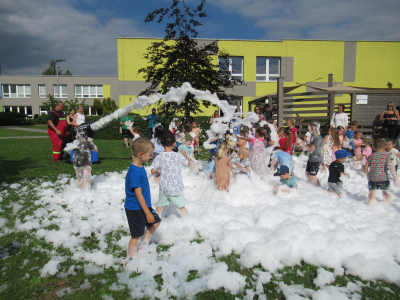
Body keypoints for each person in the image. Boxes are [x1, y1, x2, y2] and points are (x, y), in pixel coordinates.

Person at [124, 137, 160, 265]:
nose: (151, 157)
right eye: (150, 155)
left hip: (143, 206)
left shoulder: (139, 167)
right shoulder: (134, 172)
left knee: (156, 222)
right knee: (135, 235)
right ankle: (131, 259)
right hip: (135, 208)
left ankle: (144, 244)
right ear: (141, 154)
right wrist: (147, 213)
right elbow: (138, 195)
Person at [151, 132, 190, 217]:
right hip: (175, 187)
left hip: (164, 187)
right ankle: (188, 222)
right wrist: (184, 154)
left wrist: (158, 173)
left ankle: (155, 222)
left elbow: (153, 170)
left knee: (159, 207)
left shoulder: (159, 157)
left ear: (161, 144)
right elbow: (188, 163)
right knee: (181, 208)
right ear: (174, 143)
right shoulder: (179, 156)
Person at [363, 139, 398, 206]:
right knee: (386, 192)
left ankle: (370, 205)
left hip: (373, 178)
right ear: (385, 147)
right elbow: (391, 167)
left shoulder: (371, 156)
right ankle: (387, 206)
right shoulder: (387, 156)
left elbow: (365, 168)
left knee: (372, 192)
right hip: (383, 178)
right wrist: (395, 178)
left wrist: (367, 175)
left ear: (374, 147)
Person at [298, 121, 323, 186]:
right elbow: (310, 145)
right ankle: (311, 186)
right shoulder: (313, 136)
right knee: (307, 173)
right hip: (311, 158)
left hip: (316, 158)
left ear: (313, 128)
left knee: (312, 176)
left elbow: (311, 149)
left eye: (310, 128)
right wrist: (301, 146)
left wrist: (303, 144)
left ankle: (318, 187)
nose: (309, 129)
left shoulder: (318, 138)